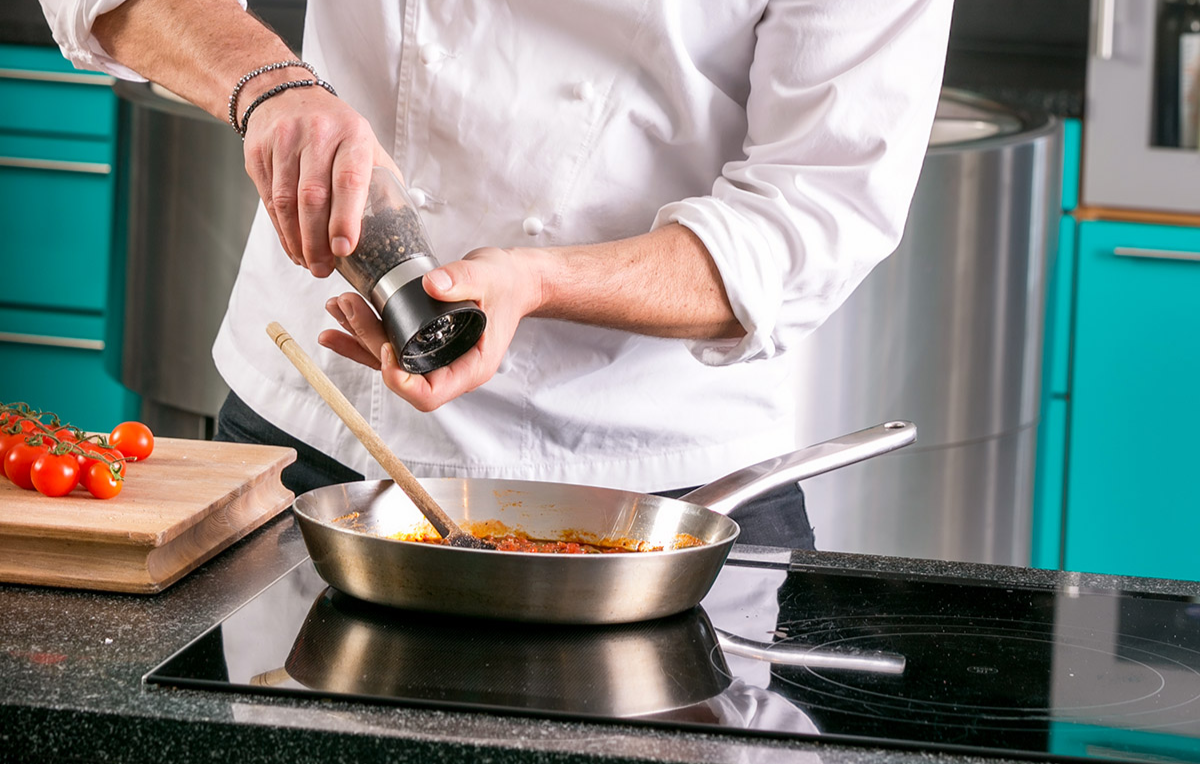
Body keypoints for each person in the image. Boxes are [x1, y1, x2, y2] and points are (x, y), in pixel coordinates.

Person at [39, 0, 952, 549]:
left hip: (660, 489)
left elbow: (815, 213)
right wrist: (270, 86)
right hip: (322, 432)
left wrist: (538, 283)